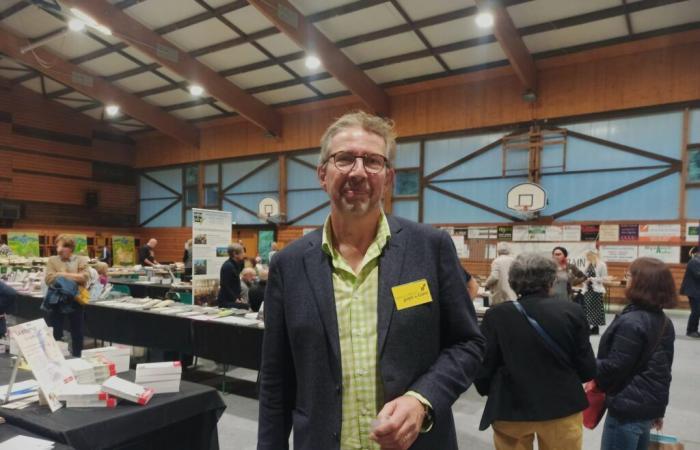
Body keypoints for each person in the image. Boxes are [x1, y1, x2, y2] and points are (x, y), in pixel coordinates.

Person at [257, 111, 485, 450]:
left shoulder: (430, 248)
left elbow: (469, 344)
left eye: (373, 161)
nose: (359, 171)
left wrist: (421, 399)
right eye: (345, 159)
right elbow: (276, 379)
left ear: (388, 177)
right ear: (323, 174)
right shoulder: (289, 265)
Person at [475, 253, 596, 450]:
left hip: (510, 407)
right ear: (551, 279)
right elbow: (587, 369)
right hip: (562, 405)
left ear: (513, 281)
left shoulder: (496, 316)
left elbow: (484, 368)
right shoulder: (572, 311)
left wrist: (491, 390)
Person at [596, 257, 676, 450]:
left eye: (628, 275)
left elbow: (615, 366)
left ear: (641, 282)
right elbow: (664, 371)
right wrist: (658, 409)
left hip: (626, 408)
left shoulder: (632, 322)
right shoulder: (664, 320)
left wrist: (581, 362)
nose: (626, 279)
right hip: (645, 407)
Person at [44, 235, 90, 357]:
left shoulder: (80, 259)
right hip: (57, 299)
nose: (59, 249)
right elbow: (49, 279)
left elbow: (84, 277)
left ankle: (78, 358)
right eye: (58, 246)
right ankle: (56, 358)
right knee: (55, 331)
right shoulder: (53, 260)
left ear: (70, 248)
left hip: (76, 299)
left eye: (63, 246)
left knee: (77, 332)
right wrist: (74, 277)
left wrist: (60, 274)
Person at [581, 250, 608, 335]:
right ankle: (589, 327)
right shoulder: (588, 264)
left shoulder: (602, 265)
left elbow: (604, 278)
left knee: (595, 309)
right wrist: (585, 280)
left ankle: (595, 328)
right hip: (587, 290)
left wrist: (592, 279)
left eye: (589, 256)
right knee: (587, 309)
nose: (587, 258)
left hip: (596, 290)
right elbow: (584, 275)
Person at [217, 243, 245, 308]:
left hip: (232, 299)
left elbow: (235, 284)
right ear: (235, 254)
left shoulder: (235, 264)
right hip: (227, 301)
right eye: (242, 252)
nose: (244, 254)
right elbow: (225, 285)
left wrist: (239, 298)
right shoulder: (228, 266)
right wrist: (235, 299)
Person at [680, 246, 700, 338]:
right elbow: (698, 275)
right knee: (696, 311)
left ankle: (694, 330)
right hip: (693, 291)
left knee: (697, 311)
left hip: (696, 290)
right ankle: (691, 330)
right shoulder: (694, 261)